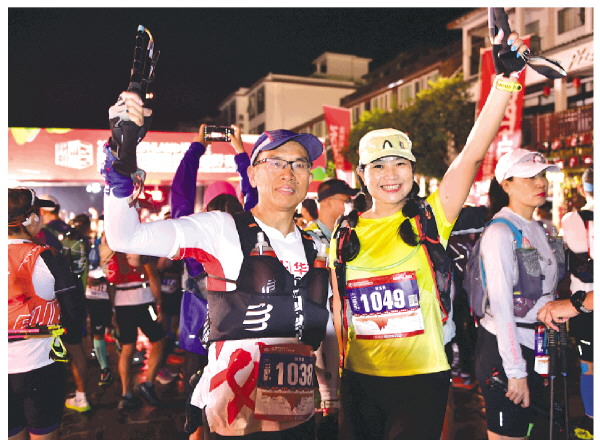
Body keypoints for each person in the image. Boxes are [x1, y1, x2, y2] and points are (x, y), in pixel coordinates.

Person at [328, 30, 530, 440]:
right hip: (359, 380)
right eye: (378, 166)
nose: (390, 175)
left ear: (412, 169)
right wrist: (333, 382)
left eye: (399, 163)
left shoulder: (432, 217)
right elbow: (338, 310)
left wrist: (505, 82)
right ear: (362, 175)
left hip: (422, 379)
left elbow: (472, 153)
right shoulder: (344, 231)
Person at [102, 92, 337, 439]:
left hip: (299, 420)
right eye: (276, 162)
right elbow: (126, 237)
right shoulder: (221, 228)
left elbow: (324, 326)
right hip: (234, 423)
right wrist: (119, 156)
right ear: (252, 175)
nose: (289, 172)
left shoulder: (317, 246)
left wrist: (331, 399)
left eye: (299, 164)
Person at [473, 149, 563, 440]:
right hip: (506, 351)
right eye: (528, 177)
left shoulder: (543, 229)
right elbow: (501, 308)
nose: (540, 182)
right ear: (506, 185)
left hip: (535, 345)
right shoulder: (500, 232)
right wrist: (515, 371)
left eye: (542, 175)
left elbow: (545, 293)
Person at [8, 188, 81, 439]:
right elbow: (73, 313)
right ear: (30, 219)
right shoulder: (48, 258)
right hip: (40, 364)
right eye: (38, 212)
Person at [37, 195, 91, 413]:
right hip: (76, 296)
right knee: (76, 348)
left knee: (49, 350)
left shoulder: (44, 235)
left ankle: (52, 397)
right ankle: (82, 395)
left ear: (42, 212)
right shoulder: (77, 234)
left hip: (54, 301)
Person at [103, 246, 166, 410]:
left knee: (127, 348)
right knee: (159, 340)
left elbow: (110, 284)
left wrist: (113, 310)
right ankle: (148, 384)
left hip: (122, 304)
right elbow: (153, 276)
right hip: (144, 301)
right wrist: (159, 303)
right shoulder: (141, 248)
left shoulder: (115, 254)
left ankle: (126, 394)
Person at [558, 167, 593, 439]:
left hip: (584, 305)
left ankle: (592, 421)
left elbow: (581, 267)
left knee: (588, 365)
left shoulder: (573, 219)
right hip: (584, 303)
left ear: (583, 189)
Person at [305, 178, 359, 247]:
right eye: (347, 201)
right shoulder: (309, 238)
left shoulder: (346, 236)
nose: (351, 205)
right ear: (326, 201)